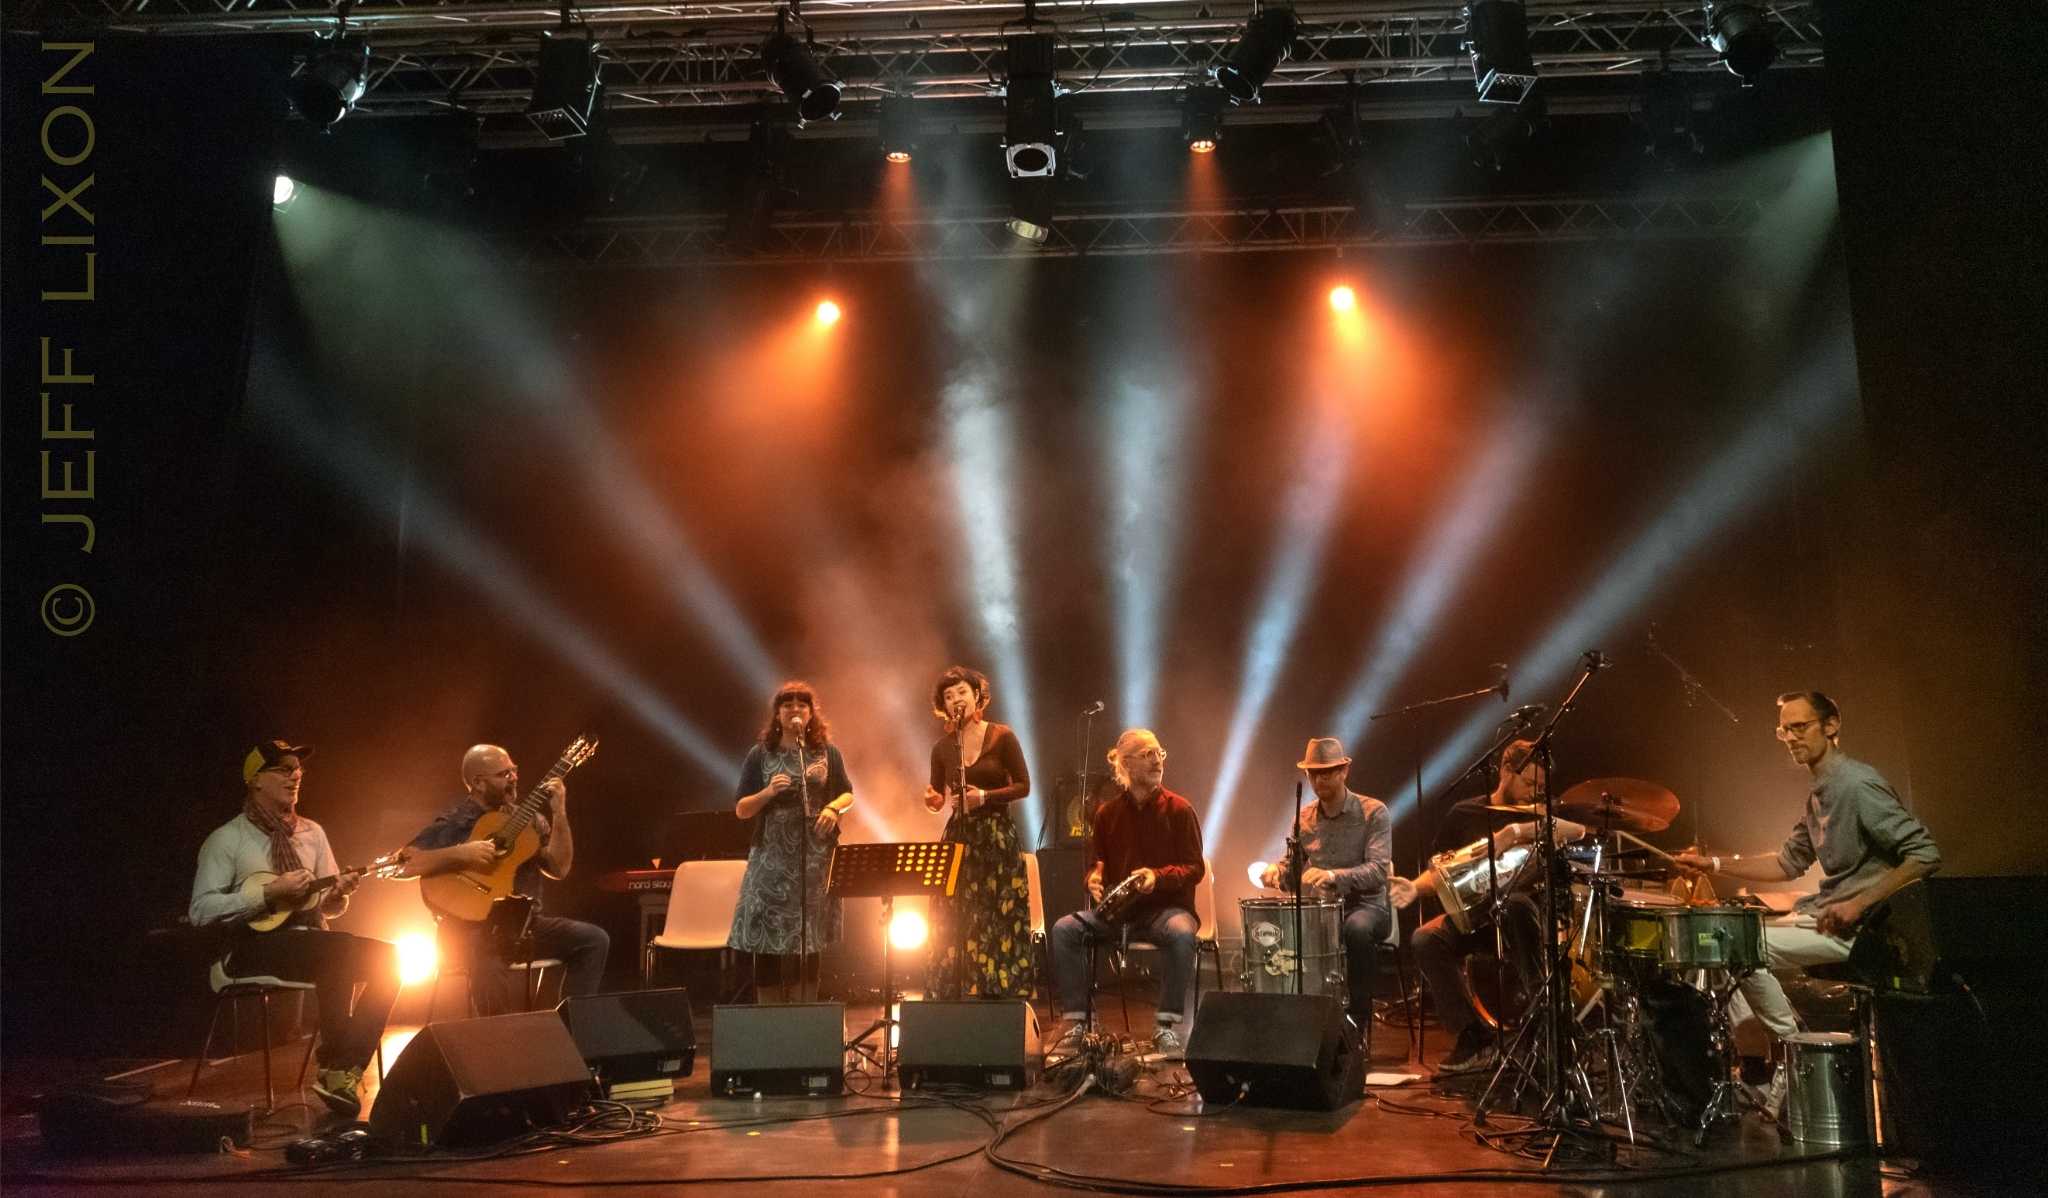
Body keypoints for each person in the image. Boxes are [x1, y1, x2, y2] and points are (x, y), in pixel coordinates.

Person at [1675, 692, 1940, 1096]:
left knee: (1733, 943)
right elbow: (1786, 863)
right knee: (1714, 937)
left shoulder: (1858, 785)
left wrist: (1860, 902)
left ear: (1831, 725)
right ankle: (1757, 1068)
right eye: (1785, 730)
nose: (1791, 737)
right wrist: (1712, 865)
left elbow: (1924, 854)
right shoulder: (1819, 793)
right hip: (1827, 915)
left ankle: (1795, 1054)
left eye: (1800, 727)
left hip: (1866, 930)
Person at [188, 740, 398, 1116]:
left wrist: (338, 893)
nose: (295, 775)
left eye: (298, 769)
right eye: (283, 769)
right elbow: (201, 911)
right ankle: (336, 1066)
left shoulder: (313, 833)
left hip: (310, 942)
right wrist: (268, 893)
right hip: (250, 945)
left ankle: (346, 1065)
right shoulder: (227, 839)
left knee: (390, 956)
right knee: (336, 949)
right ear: (255, 780)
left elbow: (326, 907)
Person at [1391, 736, 1591, 1076]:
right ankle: (1475, 1038)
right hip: (1477, 920)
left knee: (1513, 904)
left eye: (1541, 786)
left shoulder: (1544, 814)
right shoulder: (1466, 813)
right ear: (1505, 772)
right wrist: (1414, 887)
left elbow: (1581, 830)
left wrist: (1516, 831)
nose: (1534, 792)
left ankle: (1541, 1025)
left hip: (1527, 918)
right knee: (1426, 938)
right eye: (1529, 783)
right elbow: (1443, 871)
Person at [405, 744, 610, 1013]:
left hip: (523, 927)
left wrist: (559, 811)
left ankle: (571, 1033)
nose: (514, 778)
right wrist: (461, 853)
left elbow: (559, 869)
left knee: (594, 939)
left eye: (514, 771)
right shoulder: (456, 821)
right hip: (469, 931)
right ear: (478, 783)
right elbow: (405, 864)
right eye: (504, 774)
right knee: (488, 964)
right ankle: (498, 1046)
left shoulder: (530, 820)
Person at [1046, 728, 1206, 1059]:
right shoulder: (1107, 814)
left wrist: (1157, 877)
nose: (1157, 760)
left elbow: (1195, 868)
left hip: (1166, 911)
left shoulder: (1180, 809)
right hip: (1119, 913)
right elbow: (1096, 862)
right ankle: (1076, 1023)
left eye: (1159, 753)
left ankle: (1166, 1026)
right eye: (1147, 754)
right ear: (1126, 764)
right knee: (1064, 929)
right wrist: (1093, 877)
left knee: (1181, 934)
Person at [1258, 737, 1393, 1041]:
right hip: (1320, 910)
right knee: (1282, 931)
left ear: (1344, 771)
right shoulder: (1303, 818)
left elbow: (1378, 871)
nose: (1320, 779)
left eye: (1328, 772)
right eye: (1314, 773)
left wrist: (1333, 875)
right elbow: (1291, 873)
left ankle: (1357, 1026)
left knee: (1355, 931)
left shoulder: (1373, 812)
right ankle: (1293, 1025)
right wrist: (1275, 873)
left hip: (1366, 907)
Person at [728, 681, 856, 999]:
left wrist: (832, 808)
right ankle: (770, 1022)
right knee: (768, 938)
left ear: (812, 714)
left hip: (814, 857)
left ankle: (807, 1018)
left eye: (801, 705)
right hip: (771, 858)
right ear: (777, 714)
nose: (794, 709)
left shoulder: (828, 753)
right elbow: (742, 809)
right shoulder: (760, 755)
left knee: (809, 937)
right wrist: (768, 792)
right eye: (787, 705)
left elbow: (847, 793)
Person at [921, 666, 1034, 998]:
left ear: (977, 696)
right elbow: (936, 796)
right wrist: (932, 800)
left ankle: (997, 989)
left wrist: (985, 796)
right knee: (956, 914)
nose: (956, 698)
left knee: (996, 912)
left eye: (962, 692)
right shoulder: (942, 748)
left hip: (996, 836)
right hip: (960, 836)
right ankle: (956, 989)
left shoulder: (1002, 736)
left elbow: (1024, 786)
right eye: (949, 695)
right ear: (942, 705)